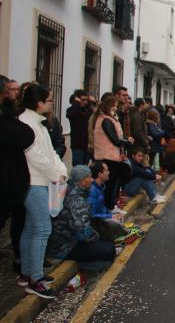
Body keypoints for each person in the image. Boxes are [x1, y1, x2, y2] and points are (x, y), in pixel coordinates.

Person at [18, 83, 68, 299]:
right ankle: (35, 280)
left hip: (41, 180)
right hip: (34, 182)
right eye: (49, 99)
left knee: (31, 229)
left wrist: (61, 170)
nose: (52, 103)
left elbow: (50, 153)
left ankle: (27, 273)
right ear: (39, 103)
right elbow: (35, 156)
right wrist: (55, 174)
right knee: (42, 229)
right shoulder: (27, 123)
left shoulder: (38, 123)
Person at [47, 166, 117, 264]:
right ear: (82, 181)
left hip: (68, 240)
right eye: (89, 177)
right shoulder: (76, 200)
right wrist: (98, 237)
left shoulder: (72, 190)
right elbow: (83, 233)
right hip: (65, 247)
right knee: (109, 249)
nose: (92, 180)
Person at [0, 76, 34, 275]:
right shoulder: (12, 118)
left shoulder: (11, 116)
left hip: (13, 183)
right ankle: (22, 260)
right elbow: (24, 137)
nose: (14, 94)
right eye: (11, 90)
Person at [93, 95, 134, 213]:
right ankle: (109, 208)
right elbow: (115, 139)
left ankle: (111, 206)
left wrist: (125, 139)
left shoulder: (108, 119)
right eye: (114, 106)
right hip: (108, 157)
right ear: (108, 106)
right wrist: (127, 141)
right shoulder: (106, 120)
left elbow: (116, 137)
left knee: (113, 183)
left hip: (111, 156)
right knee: (111, 184)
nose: (116, 108)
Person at [66, 90, 92, 166]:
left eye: (86, 100)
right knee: (78, 168)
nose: (85, 102)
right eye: (83, 100)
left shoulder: (87, 110)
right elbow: (70, 114)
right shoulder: (73, 110)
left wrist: (93, 102)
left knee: (85, 168)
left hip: (87, 145)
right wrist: (76, 103)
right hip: (77, 145)